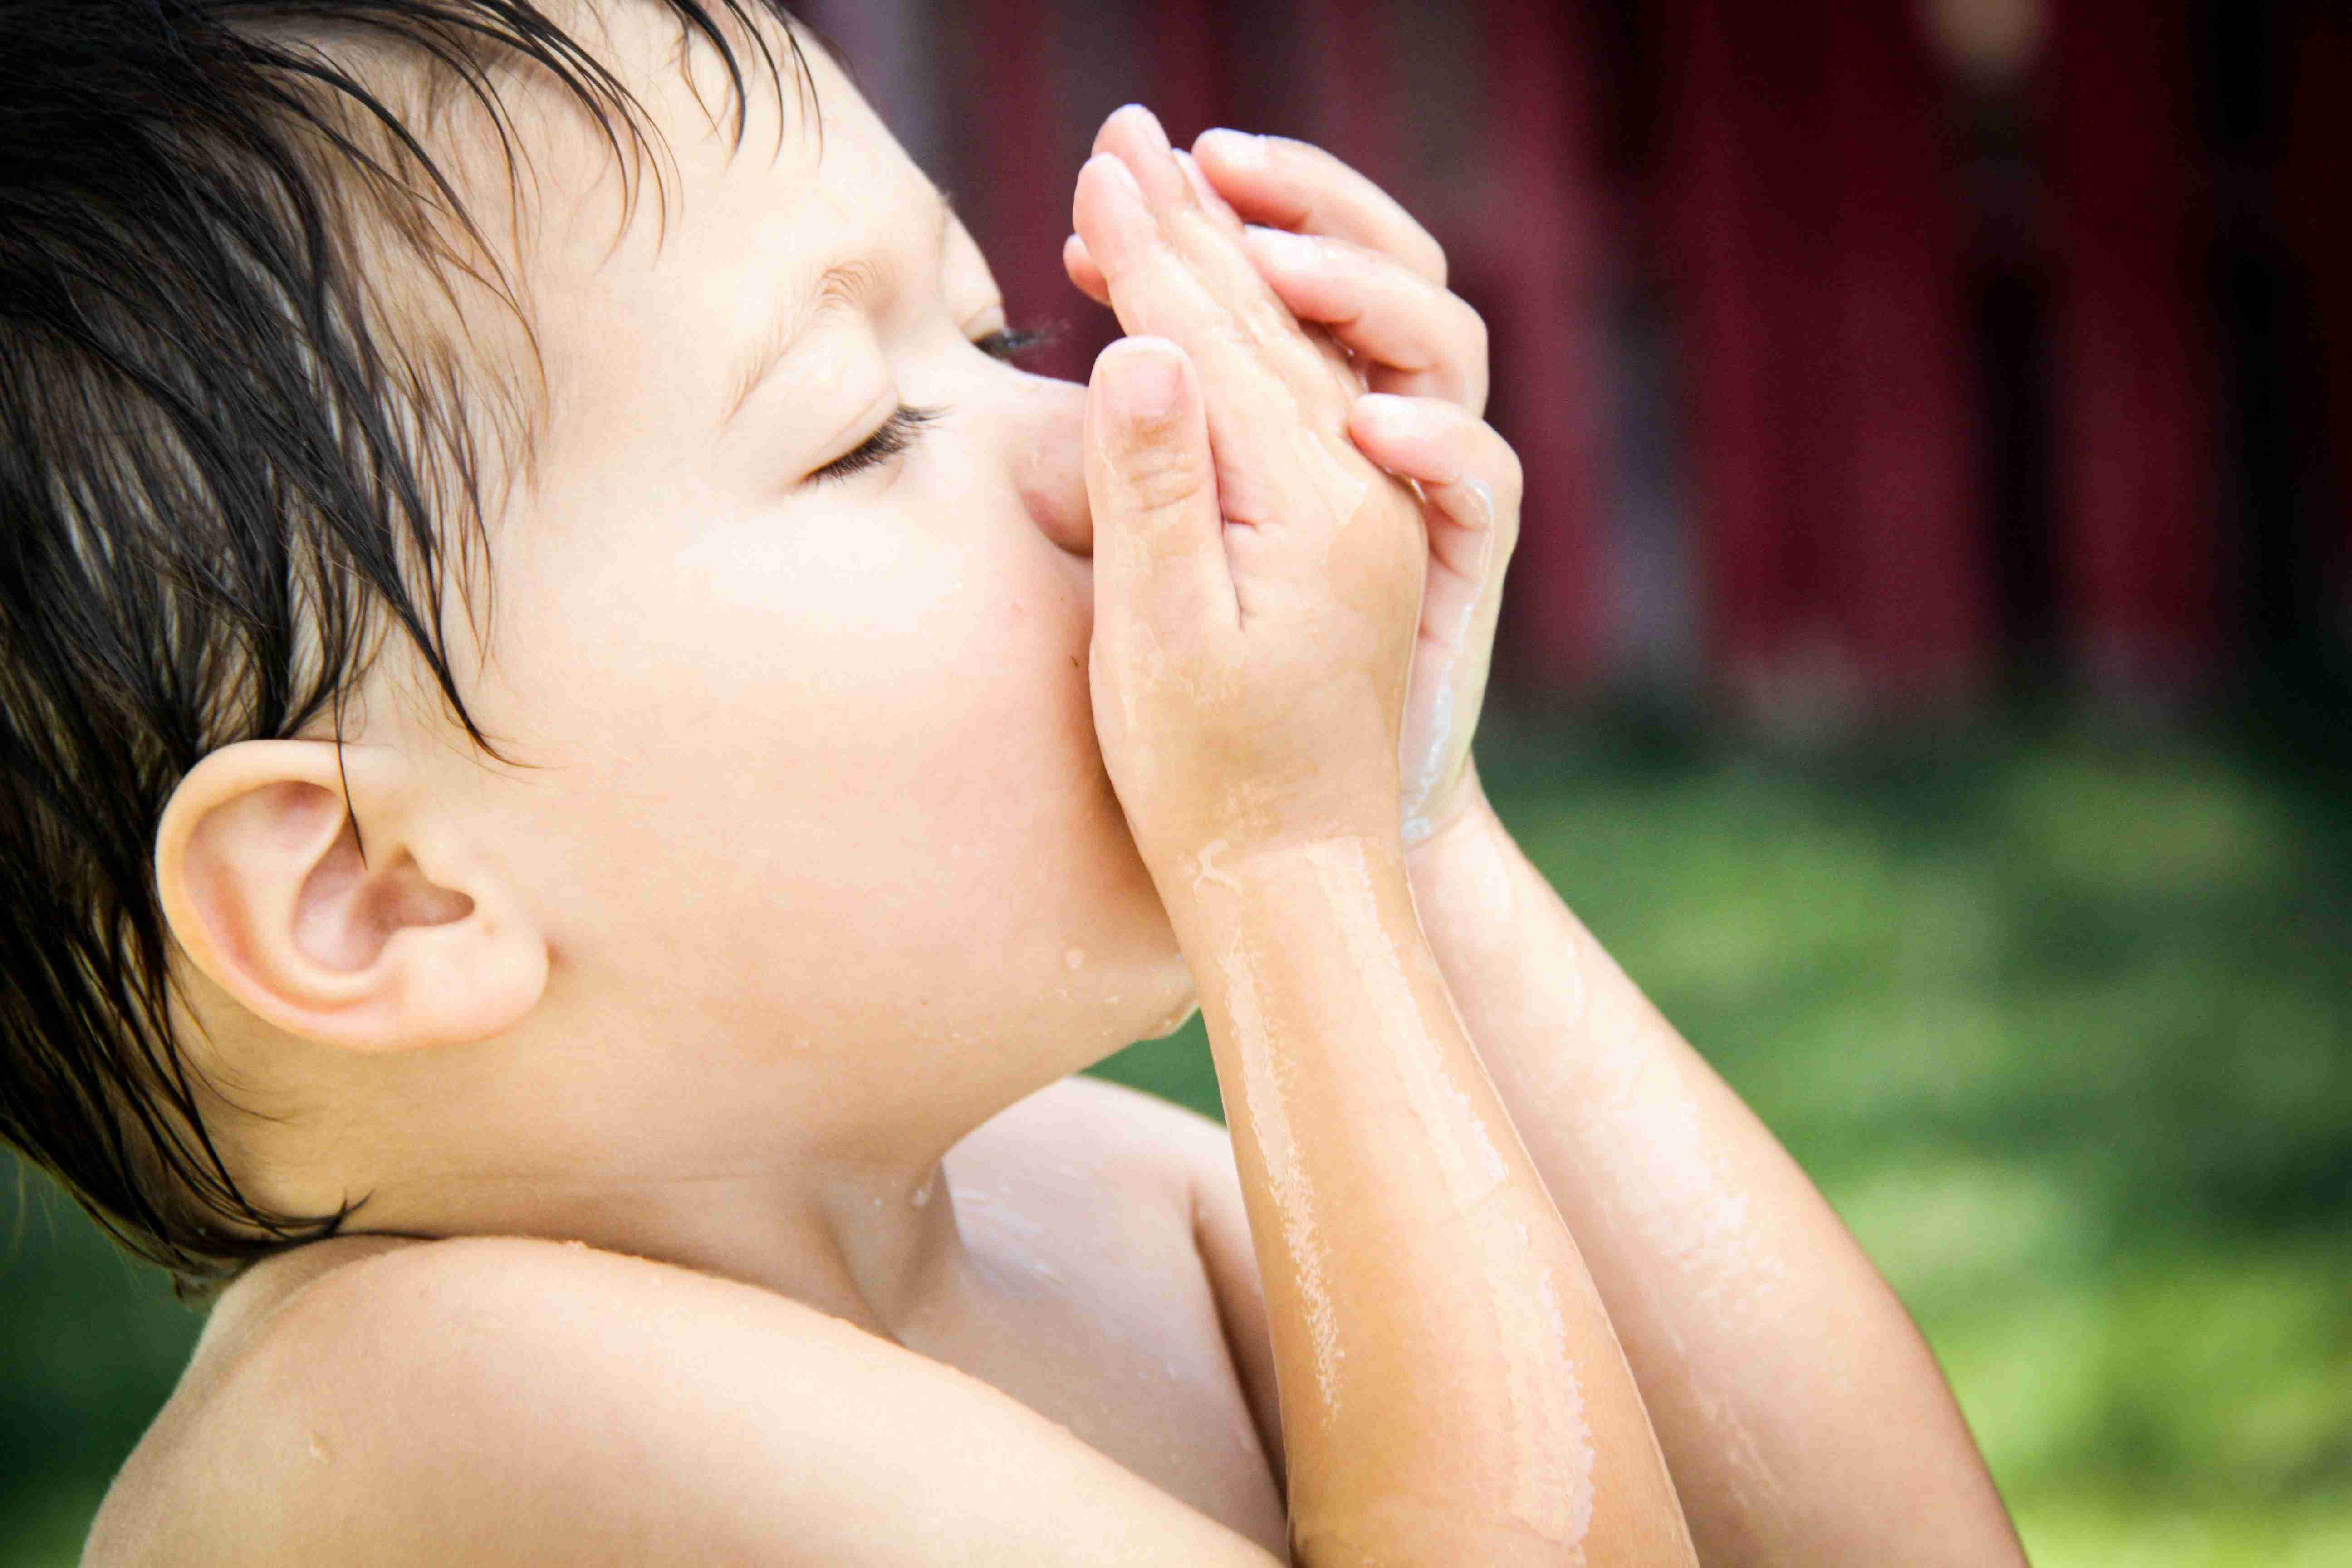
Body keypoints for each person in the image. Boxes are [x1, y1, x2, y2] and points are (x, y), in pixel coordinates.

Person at [0, 3, 2027, 1562]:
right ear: (381, 894)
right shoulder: (423, 1415)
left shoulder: (1080, 1206)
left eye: (997, 335)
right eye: (863, 433)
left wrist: (1408, 826)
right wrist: (1292, 862)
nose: (1089, 437)